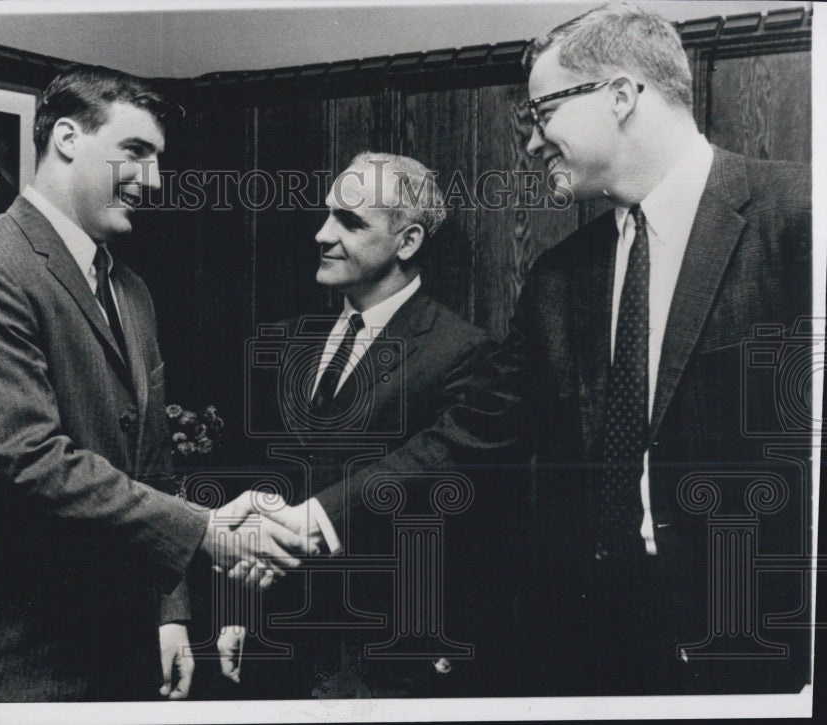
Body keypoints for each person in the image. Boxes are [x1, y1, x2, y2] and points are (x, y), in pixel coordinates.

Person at [0, 66, 313, 702]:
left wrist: (169, 613)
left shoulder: (131, 291)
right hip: (30, 663)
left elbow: (152, 465)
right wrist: (206, 529)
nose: (153, 180)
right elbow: (32, 461)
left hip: (127, 652)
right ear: (66, 137)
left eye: (157, 159)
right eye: (135, 152)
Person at [501, 1, 811, 695]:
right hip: (591, 648)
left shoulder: (799, 216)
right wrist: (320, 516)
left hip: (757, 643)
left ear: (618, 95)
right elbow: (479, 429)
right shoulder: (556, 275)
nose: (530, 144)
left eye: (541, 114)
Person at [219, 152, 523, 698]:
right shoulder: (292, 339)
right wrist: (237, 609)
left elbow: (437, 481)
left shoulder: (463, 351)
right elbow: (267, 481)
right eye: (327, 213)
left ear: (406, 242)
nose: (321, 233)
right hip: (279, 651)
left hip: (387, 663)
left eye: (350, 221)